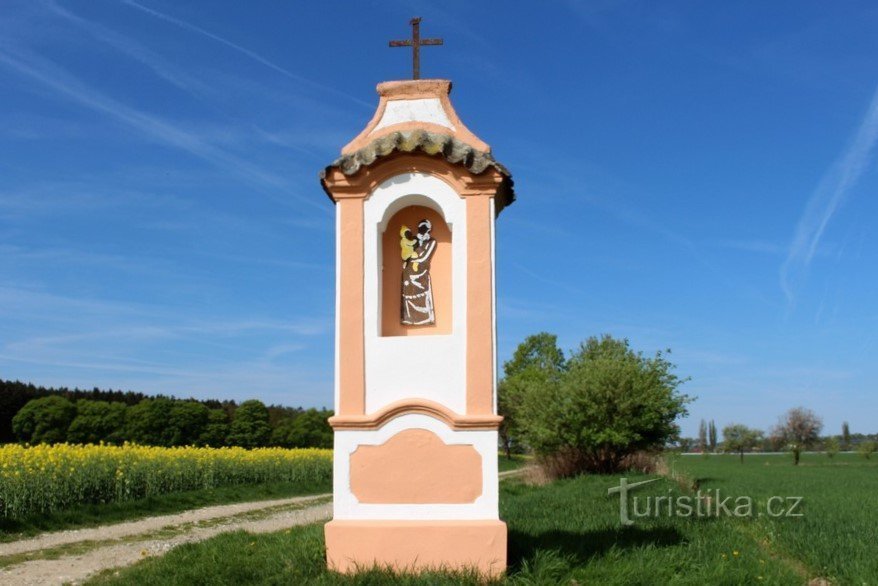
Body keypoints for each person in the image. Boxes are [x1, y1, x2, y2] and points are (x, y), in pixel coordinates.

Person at [400, 219, 436, 325]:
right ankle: (409, 317)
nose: (422, 230)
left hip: (421, 271)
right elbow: (407, 249)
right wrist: (407, 259)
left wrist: (413, 259)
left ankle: (424, 318)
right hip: (409, 270)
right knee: (407, 290)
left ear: (429, 229)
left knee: (422, 291)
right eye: (420, 227)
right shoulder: (414, 239)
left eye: (424, 228)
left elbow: (425, 257)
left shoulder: (431, 242)